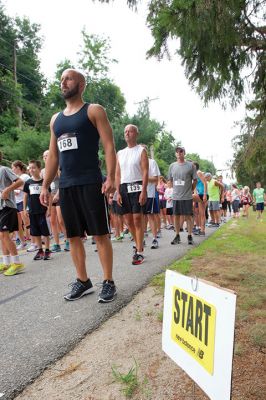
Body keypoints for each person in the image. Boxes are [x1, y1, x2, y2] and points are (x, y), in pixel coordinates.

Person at [40, 68, 117, 303]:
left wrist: (111, 177)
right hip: (67, 185)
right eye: (62, 79)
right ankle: (83, 280)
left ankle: (108, 282)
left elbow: (109, 145)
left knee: (100, 234)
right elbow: (53, 156)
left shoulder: (93, 111)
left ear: (81, 84)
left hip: (91, 181)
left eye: (69, 79)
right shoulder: (56, 119)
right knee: (72, 236)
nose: (63, 82)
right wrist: (45, 186)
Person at [116, 124, 148, 264]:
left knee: (136, 219)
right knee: (128, 221)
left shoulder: (141, 150)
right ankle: (138, 243)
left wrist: (144, 190)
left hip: (137, 186)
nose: (127, 133)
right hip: (123, 187)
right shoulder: (120, 153)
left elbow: (145, 171)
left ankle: (139, 251)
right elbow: (117, 174)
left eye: (130, 131)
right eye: (125, 131)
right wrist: (118, 191)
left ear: (136, 133)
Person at [0, 152, 25, 276]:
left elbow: (20, 181)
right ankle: (6, 263)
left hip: (8, 206)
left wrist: (7, 190)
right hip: (0, 207)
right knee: (1, 236)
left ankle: (16, 263)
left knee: (4, 234)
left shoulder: (3, 169)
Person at [168, 146, 198, 245]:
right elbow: (170, 180)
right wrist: (174, 190)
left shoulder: (190, 166)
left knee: (188, 216)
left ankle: (189, 235)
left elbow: (195, 180)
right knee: (176, 216)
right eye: (177, 151)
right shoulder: (172, 166)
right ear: (175, 154)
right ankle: (177, 236)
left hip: (187, 196)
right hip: (176, 196)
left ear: (184, 153)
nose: (179, 153)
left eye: (181, 151)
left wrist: (191, 190)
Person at [23, 160, 52, 260]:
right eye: (30, 168)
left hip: (42, 210)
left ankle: (47, 250)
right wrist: (24, 208)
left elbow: (50, 195)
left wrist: (49, 208)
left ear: (39, 169)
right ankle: (40, 251)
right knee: (36, 232)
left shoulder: (44, 182)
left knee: (45, 231)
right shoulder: (28, 183)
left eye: (33, 167)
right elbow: (26, 196)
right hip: (32, 211)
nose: (31, 170)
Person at [141, 144, 160, 249]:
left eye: (144, 149)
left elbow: (156, 179)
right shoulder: (136, 162)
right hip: (138, 193)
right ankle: (142, 239)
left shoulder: (152, 162)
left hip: (149, 193)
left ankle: (154, 238)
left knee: (150, 216)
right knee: (140, 217)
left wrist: (144, 178)